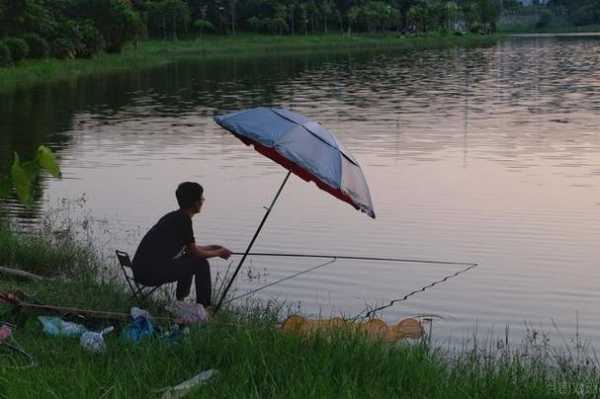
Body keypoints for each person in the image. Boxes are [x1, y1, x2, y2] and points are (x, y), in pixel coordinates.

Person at [132, 182, 232, 307]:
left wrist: (213, 247)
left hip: (140, 270)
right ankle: (205, 307)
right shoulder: (183, 221)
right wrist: (218, 253)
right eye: (202, 198)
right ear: (196, 203)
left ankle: (180, 302)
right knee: (201, 264)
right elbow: (194, 252)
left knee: (190, 259)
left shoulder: (174, 217)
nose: (203, 201)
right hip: (149, 274)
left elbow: (190, 249)